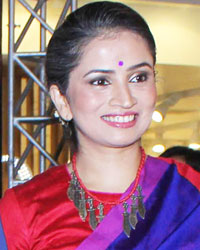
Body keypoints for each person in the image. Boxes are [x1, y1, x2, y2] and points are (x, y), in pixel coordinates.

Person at [0, 1, 200, 249]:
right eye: (100, 81)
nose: (126, 99)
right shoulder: (25, 210)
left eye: (138, 77)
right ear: (61, 100)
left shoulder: (190, 194)